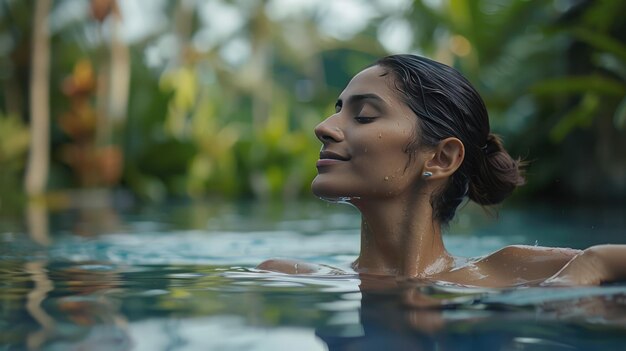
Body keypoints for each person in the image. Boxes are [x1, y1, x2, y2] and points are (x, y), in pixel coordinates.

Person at [257, 54, 626, 287]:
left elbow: (605, 259)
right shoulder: (283, 274)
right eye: (336, 110)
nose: (324, 126)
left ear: (441, 158)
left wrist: (590, 265)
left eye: (364, 115)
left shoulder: (509, 270)